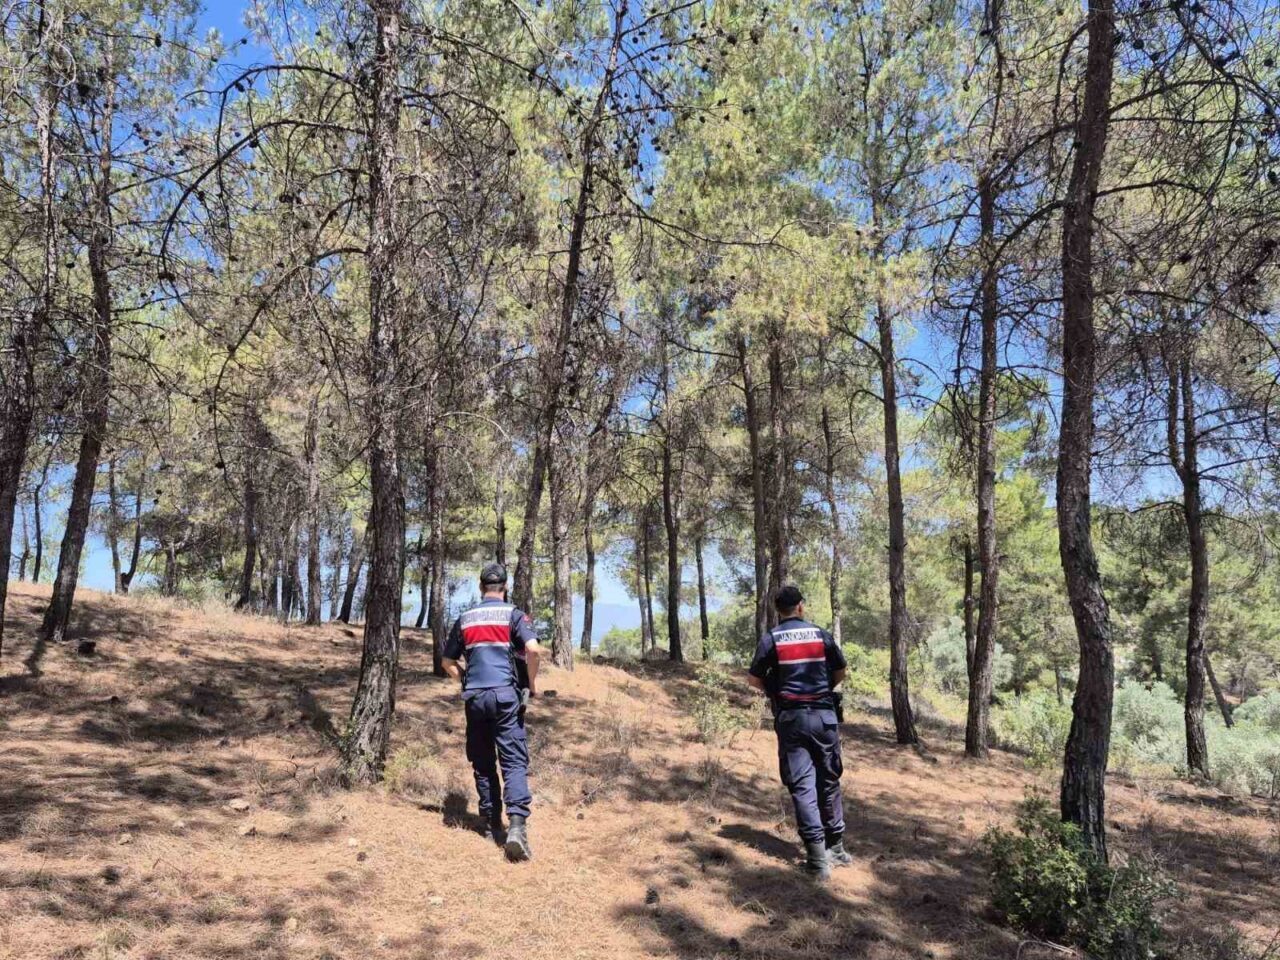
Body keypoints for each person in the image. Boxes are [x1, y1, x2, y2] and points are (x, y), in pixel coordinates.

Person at [747, 584, 850, 882]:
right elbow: (841, 671)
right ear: (801, 607)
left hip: (791, 719)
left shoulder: (771, 639)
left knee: (803, 785)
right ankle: (837, 849)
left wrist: (778, 693)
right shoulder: (820, 634)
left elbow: (754, 679)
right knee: (829, 780)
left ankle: (818, 862)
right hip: (824, 717)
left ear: (778, 611)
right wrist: (821, 691)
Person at [441, 562, 540, 862]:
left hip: (475, 697)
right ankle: (517, 828)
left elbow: (447, 662)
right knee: (512, 761)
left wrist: (465, 681)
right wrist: (532, 684)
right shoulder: (513, 614)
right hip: (506, 696)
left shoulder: (465, 618)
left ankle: (490, 824)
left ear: (481, 587)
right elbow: (533, 650)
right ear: (505, 587)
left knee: (483, 761)